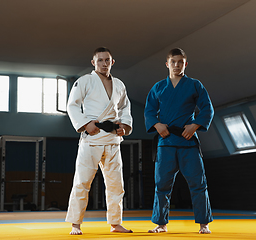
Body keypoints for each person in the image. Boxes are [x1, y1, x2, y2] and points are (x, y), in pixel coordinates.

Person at [144, 48, 214, 234]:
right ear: (167, 64)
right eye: (173, 62)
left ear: (185, 64)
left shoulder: (194, 85)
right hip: (165, 142)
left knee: (198, 183)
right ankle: (161, 223)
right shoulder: (158, 87)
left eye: (180, 62)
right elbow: (149, 111)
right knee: (162, 185)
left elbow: (207, 108)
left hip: (188, 140)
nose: (177, 65)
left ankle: (204, 223)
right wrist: (157, 125)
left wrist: (196, 125)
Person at [65, 47, 133, 235]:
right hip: (92, 137)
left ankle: (115, 223)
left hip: (112, 139)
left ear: (112, 62)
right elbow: (72, 105)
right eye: (100, 60)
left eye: (107, 60)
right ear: (93, 62)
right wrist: (85, 124)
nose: (104, 63)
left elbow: (126, 108)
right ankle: (75, 224)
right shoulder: (85, 81)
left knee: (116, 185)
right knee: (82, 182)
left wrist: (124, 126)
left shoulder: (119, 84)